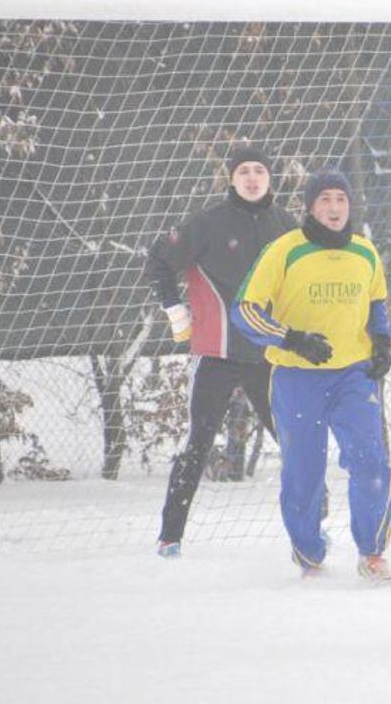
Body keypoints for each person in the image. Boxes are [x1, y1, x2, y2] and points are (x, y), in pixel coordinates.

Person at [231, 169, 391, 583]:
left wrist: (381, 343)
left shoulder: (365, 253)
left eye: (341, 199)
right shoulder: (284, 250)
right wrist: (290, 338)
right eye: (325, 200)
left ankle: (372, 552)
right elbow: (245, 309)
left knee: (371, 462)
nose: (334, 208)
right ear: (309, 206)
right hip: (296, 378)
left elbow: (377, 304)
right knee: (303, 473)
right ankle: (308, 551)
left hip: (353, 377)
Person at [147, 147, 295, 558]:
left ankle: (313, 526)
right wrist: (175, 310)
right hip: (217, 353)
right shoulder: (208, 223)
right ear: (231, 178)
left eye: (259, 170)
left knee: (295, 441)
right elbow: (158, 259)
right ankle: (169, 536)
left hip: (270, 356)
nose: (252, 177)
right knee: (197, 444)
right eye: (243, 171)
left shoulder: (287, 225)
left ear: (270, 177)